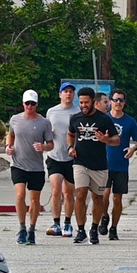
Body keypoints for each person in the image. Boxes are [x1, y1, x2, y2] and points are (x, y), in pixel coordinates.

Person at [67, 86, 120, 245]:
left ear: (93, 102)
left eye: (86, 102)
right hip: (80, 162)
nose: (83, 105)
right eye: (81, 102)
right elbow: (70, 134)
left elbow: (116, 140)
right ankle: (81, 230)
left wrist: (106, 140)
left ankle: (94, 228)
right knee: (81, 194)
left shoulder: (104, 119)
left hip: (99, 165)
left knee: (98, 197)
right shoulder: (75, 118)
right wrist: (70, 147)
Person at [7, 90, 54, 245]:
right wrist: (8, 146)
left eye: (32, 103)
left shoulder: (44, 122)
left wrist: (43, 147)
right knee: (20, 195)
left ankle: (31, 230)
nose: (29, 106)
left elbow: (51, 144)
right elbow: (11, 134)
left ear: (37, 105)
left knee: (35, 200)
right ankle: (21, 228)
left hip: (36, 167)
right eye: (27, 103)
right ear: (23, 104)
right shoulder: (15, 119)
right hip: (18, 164)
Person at [99, 89, 137, 241]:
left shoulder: (129, 121)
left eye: (121, 100)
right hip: (104, 163)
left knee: (117, 198)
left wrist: (133, 148)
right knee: (104, 194)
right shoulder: (103, 118)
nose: (118, 103)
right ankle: (104, 216)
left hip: (121, 165)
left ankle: (114, 227)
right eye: (116, 100)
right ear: (110, 101)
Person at [45, 82, 78, 237]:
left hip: (71, 158)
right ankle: (56, 223)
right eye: (65, 91)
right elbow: (46, 132)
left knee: (69, 193)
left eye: (71, 91)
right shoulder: (52, 112)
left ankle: (67, 223)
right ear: (60, 94)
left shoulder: (77, 112)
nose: (68, 94)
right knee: (56, 188)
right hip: (54, 156)